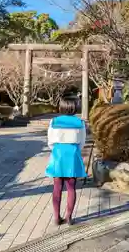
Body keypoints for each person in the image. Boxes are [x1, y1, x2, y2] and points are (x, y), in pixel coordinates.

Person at [45, 97, 87, 226]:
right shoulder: (80, 122)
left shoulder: (54, 121)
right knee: (71, 187)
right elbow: (82, 142)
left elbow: (50, 142)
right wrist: (74, 150)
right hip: (73, 155)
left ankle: (57, 217)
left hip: (58, 155)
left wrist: (57, 150)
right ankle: (69, 217)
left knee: (57, 187)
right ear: (75, 107)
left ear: (61, 107)